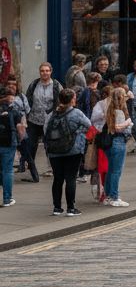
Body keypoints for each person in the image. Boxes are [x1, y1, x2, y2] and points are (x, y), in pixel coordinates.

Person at [44, 88, 91, 217]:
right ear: (72, 100)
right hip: (73, 150)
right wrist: (78, 132)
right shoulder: (76, 113)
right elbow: (89, 125)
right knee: (70, 178)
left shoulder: (52, 114)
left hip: (54, 152)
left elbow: (45, 130)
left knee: (57, 179)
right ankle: (71, 208)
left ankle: (57, 208)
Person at [25, 63, 63, 180]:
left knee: (50, 145)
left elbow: (62, 101)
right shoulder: (34, 84)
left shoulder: (56, 85)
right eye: (42, 71)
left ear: (51, 71)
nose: (44, 73)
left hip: (50, 120)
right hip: (33, 119)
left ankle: (51, 168)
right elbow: (27, 100)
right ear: (39, 72)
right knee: (31, 145)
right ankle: (32, 169)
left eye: (47, 70)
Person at [103, 88, 135, 208]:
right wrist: (127, 123)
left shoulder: (109, 108)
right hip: (118, 141)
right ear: (121, 97)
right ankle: (114, 197)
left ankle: (108, 196)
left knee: (111, 171)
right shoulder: (119, 111)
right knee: (116, 171)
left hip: (109, 143)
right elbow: (117, 127)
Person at [0, 82, 25, 206]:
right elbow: (21, 129)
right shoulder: (14, 111)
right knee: (8, 170)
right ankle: (7, 198)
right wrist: (21, 140)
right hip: (9, 143)